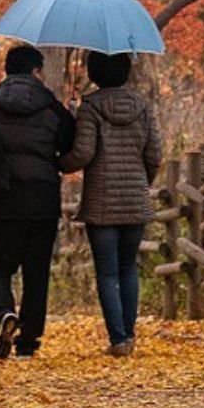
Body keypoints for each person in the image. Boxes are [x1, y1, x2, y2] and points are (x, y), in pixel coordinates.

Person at [0, 45, 75, 359]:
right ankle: (28, 342)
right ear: (36, 72)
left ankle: (3, 313)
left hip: (2, 198)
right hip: (42, 200)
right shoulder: (53, 110)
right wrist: (71, 113)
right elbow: (69, 146)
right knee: (36, 272)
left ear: (7, 72)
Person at [60, 52, 162, 357]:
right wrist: (142, 183)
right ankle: (128, 335)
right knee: (129, 267)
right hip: (134, 199)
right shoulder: (143, 106)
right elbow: (154, 155)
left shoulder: (91, 107)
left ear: (94, 71)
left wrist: (58, 162)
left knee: (107, 272)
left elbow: (82, 155)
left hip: (102, 202)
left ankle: (118, 339)